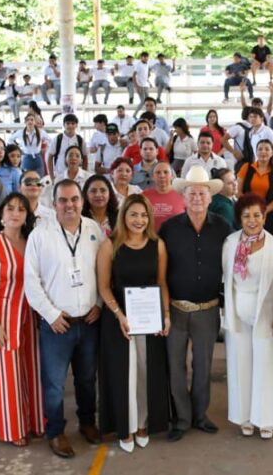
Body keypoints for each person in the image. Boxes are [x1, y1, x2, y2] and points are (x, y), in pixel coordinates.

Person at [23, 179, 104, 458]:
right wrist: (51, 314)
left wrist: (100, 304)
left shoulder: (94, 230)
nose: (69, 205)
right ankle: (56, 431)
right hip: (57, 324)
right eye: (63, 200)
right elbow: (31, 282)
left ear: (82, 201)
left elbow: (105, 271)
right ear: (53, 203)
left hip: (89, 321)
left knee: (86, 379)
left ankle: (87, 423)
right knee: (55, 383)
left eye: (74, 199)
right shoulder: (40, 234)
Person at [160, 167, 232, 441]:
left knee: (203, 366)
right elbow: (161, 270)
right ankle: (181, 418)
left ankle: (200, 415)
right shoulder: (169, 229)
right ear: (184, 197)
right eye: (192, 193)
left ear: (211, 197)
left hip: (208, 309)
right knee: (176, 366)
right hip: (176, 310)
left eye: (202, 193)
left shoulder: (223, 228)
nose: (198, 197)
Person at [97, 194, 172, 453]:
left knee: (144, 372)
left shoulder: (157, 244)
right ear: (123, 217)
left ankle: (142, 424)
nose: (139, 220)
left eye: (143, 215)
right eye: (133, 215)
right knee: (122, 374)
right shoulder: (110, 245)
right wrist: (119, 315)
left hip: (148, 319)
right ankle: (124, 427)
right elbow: (104, 287)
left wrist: (166, 315)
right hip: (119, 319)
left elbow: (161, 283)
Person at [0, 193, 45, 448]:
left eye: (21, 209)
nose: (15, 213)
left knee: (32, 372)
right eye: (10, 208)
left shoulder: (31, 241)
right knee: (8, 377)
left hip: (31, 315)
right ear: (1, 214)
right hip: (3, 315)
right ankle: (13, 429)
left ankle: (36, 422)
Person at [222, 194, 273, 439]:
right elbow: (224, 277)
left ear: (264, 216)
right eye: (247, 215)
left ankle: (265, 419)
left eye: (257, 215)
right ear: (239, 217)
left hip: (266, 313)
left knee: (265, 365)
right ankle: (245, 417)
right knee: (240, 364)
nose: (252, 220)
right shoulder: (229, 243)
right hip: (237, 313)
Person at [236, 140, 273, 235]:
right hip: (248, 213)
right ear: (256, 152)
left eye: (267, 149)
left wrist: (264, 210)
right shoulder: (246, 167)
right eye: (260, 149)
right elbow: (238, 191)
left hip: (270, 215)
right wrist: (251, 209)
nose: (263, 152)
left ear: (272, 153)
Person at [142, 162, 186, 228]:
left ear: (172, 176)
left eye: (166, 172)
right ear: (152, 177)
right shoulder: (144, 196)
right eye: (158, 172)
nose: (162, 175)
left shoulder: (183, 195)